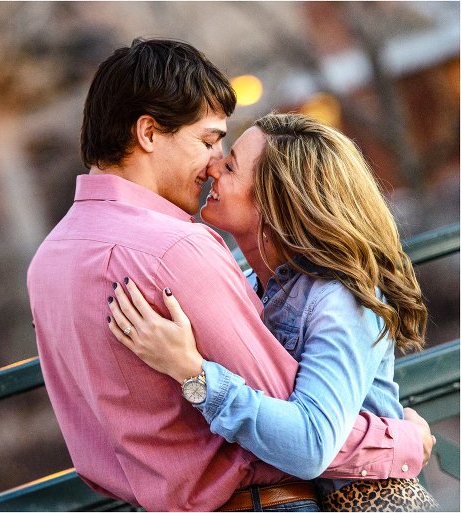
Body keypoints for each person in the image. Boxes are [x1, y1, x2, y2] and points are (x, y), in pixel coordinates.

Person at [27, 38, 433, 512]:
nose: (214, 164)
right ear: (149, 133)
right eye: (207, 140)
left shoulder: (46, 265)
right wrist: (402, 442)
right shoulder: (178, 250)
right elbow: (304, 436)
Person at [106, 112, 439, 511]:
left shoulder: (338, 301)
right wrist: (401, 441)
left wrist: (192, 374)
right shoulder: (244, 286)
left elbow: (311, 444)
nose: (213, 167)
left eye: (230, 166)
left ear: (272, 200)